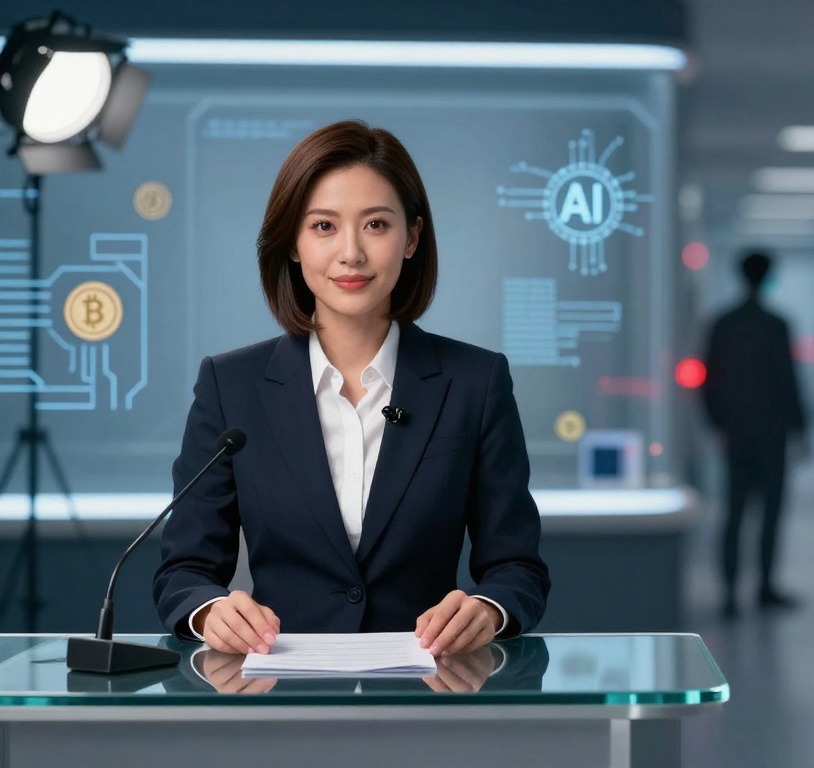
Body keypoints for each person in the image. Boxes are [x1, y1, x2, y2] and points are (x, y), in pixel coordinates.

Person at [154, 120, 549, 657]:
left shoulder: (476, 382)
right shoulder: (231, 386)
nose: (351, 254)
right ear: (292, 243)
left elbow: (516, 567)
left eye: (376, 226)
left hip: (430, 693)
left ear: (411, 237)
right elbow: (185, 570)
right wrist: (210, 611)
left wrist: (489, 608)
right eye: (323, 226)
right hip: (278, 696)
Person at [702, 251, 807, 618]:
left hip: (736, 434)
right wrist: (800, 429)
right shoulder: (776, 325)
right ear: (767, 277)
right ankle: (764, 587)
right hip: (771, 434)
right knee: (770, 512)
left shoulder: (722, 323)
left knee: (734, 513)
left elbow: (708, 380)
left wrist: (717, 425)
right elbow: (788, 381)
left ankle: (730, 593)